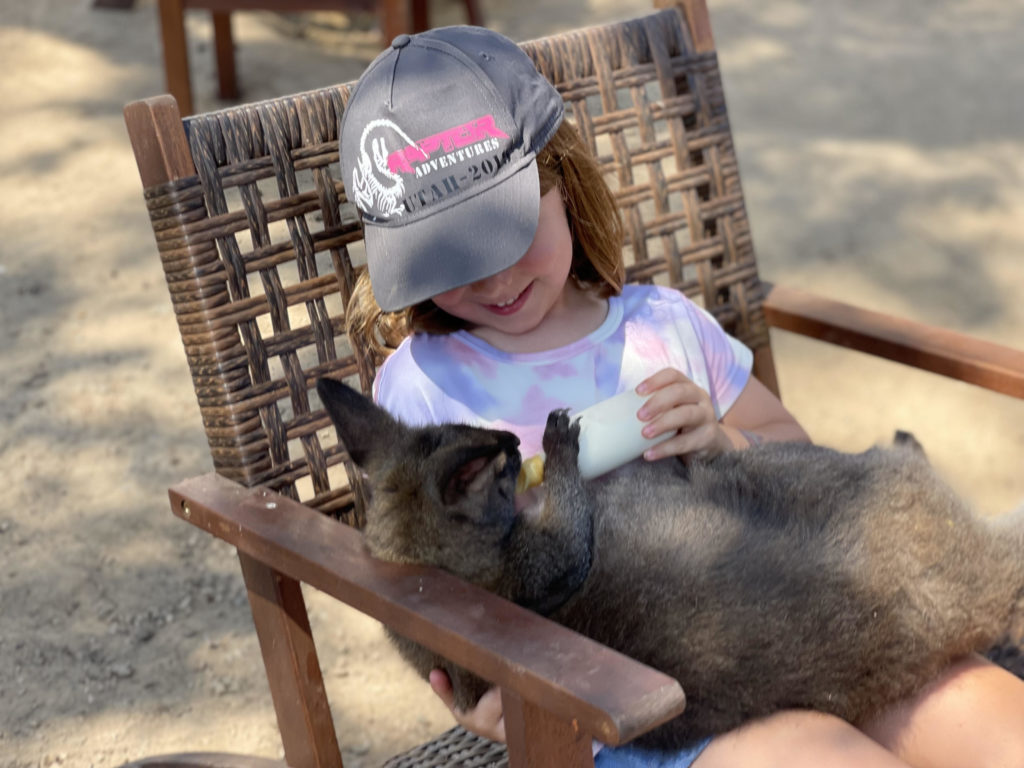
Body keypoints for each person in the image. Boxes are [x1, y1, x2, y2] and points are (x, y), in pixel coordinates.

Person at [338, 25, 1024, 768]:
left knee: (997, 725)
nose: (499, 280)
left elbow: (798, 458)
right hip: (651, 703)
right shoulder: (422, 390)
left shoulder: (661, 326)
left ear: (562, 179)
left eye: (513, 231)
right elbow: (420, 591)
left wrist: (723, 439)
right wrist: (479, 698)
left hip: (810, 617)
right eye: (457, 260)